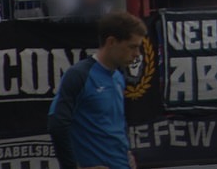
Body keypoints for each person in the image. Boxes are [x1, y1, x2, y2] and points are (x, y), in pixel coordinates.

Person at [49, 11, 146, 169]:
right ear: (111, 42)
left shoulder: (118, 77)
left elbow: (114, 122)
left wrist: (126, 151)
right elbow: (57, 124)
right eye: (132, 47)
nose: (137, 54)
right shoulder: (79, 75)